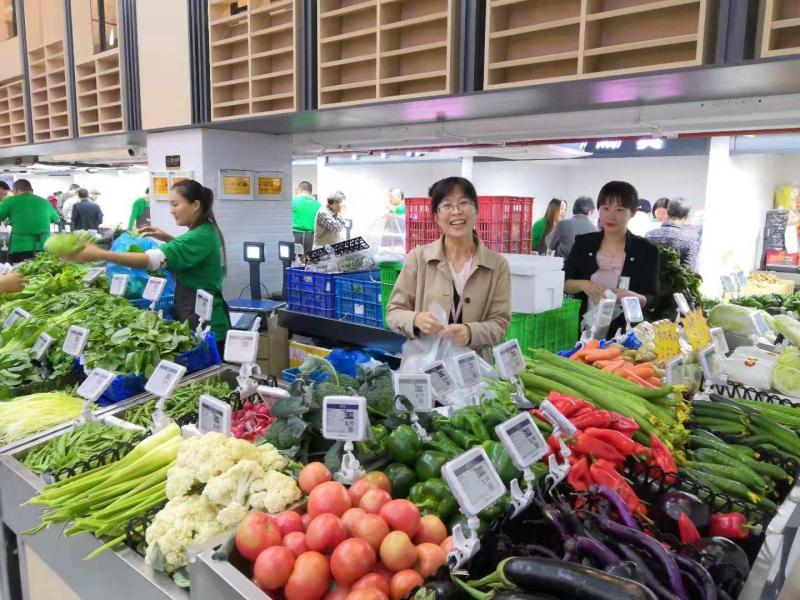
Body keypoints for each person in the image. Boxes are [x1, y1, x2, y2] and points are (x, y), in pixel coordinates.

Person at [64, 180, 229, 345]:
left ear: (195, 205)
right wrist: (167, 237)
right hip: (206, 314)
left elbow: (151, 260)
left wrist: (101, 254)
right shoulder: (207, 230)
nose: (171, 210)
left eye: (175, 204)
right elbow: (194, 253)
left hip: (208, 324)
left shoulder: (199, 236)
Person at [386, 176, 511, 359]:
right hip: (424, 366)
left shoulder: (497, 265)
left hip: (474, 370)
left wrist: (470, 333)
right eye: (447, 205)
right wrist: (416, 319)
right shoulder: (419, 258)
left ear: (476, 210)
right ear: (437, 216)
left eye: (463, 203)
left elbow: (500, 324)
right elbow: (393, 313)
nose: (456, 211)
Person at [565, 181, 660, 336]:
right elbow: (566, 283)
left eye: (619, 209)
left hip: (625, 334)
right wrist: (583, 285)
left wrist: (635, 297)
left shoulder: (646, 251)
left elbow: (652, 298)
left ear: (633, 212)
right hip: (584, 328)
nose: (611, 216)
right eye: (605, 208)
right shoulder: (584, 243)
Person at [0, 179, 60, 263]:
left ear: (16, 190)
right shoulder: (45, 202)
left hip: (20, 247)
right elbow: (55, 219)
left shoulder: (10, 201)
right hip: (44, 246)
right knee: (42, 274)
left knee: (20, 273)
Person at [645, 197, 700, 270]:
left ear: (668, 212)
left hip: (650, 280)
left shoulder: (649, 235)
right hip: (676, 281)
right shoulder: (690, 240)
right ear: (686, 216)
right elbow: (689, 272)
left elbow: (643, 265)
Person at [292, 181, 319, 255]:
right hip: (311, 236)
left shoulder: (293, 201)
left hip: (295, 235)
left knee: (295, 259)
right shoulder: (317, 204)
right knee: (309, 259)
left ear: (299, 190)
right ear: (310, 191)